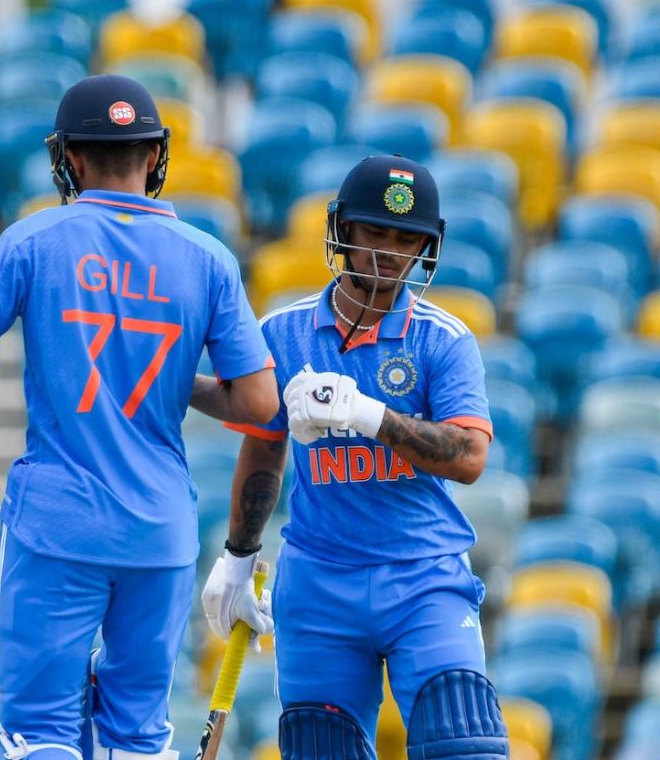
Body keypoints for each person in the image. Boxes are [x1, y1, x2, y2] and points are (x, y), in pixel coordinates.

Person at [0, 74, 279, 759]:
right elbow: (260, 405)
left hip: (57, 524)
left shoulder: (32, 239)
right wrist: (172, 381)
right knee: (137, 739)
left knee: (39, 737)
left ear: (72, 158)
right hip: (160, 533)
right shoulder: (208, 257)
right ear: (155, 154)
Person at [203, 154, 510, 759]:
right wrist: (238, 559)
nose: (389, 252)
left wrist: (370, 416)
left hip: (424, 575)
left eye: (406, 239)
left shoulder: (443, 339)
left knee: (464, 742)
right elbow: (263, 450)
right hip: (319, 581)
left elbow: (470, 456)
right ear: (343, 229)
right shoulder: (283, 332)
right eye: (375, 232)